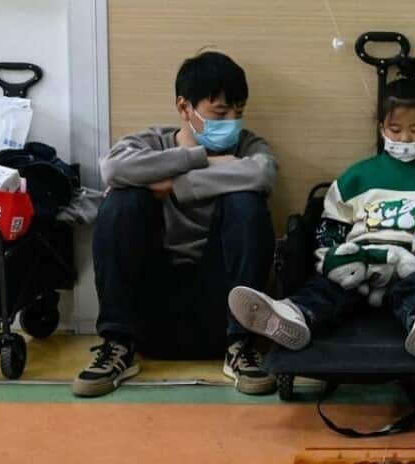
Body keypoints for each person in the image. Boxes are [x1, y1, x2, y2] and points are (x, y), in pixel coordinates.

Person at [228, 57, 415, 359]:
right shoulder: (357, 176)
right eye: (396, 129)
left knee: (412, 291)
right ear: (381, 128)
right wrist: (333, 259)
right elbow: (331, 226)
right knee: (326, 289)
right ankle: (292, 314)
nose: (405, 138)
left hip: (407, 261)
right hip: (359, 260)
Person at [73, 51, 278, 397]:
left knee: (246, 202)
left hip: (221, 305)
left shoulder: (249, 146)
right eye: (220, 112)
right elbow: (113, 170)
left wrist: (177, 185)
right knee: (123, 200)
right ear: (185, 108)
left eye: (238, 113)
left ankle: (241, 346)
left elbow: (262, 172)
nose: (232, 122)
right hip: (151, 304)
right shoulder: (147, 143)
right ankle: (117, 344)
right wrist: (197, 158)